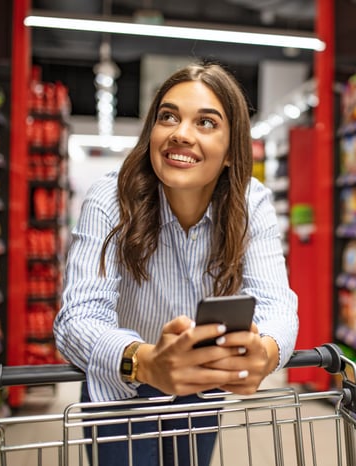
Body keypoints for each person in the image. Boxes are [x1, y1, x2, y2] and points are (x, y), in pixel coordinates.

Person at [53, 62, 299, 466]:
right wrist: (147, 361)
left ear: (230, 153)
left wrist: (267, 350)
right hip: (122, 386)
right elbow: (78, 317)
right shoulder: (110, 199)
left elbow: (277, 304)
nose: (181, 133)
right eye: (168, 117)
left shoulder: (249, 203)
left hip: (201, 387)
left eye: (206, 122)